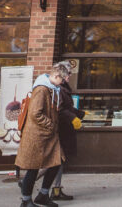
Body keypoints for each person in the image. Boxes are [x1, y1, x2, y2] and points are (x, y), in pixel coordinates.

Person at [16, 62, 70, 207]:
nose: (63, 82)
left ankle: (43, 195)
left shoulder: (52, 89)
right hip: (37, 136)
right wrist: (51, 125)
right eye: (62, 79)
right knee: (33, 168)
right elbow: (35, 113)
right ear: (56, 76)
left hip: (47, 135)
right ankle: (26, 200)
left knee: (57, 161)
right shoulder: (42, 89)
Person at [49, 62, 85, 201]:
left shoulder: (64, 88)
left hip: (64, 129)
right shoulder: (58, 89)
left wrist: (81, 114)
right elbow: (61, 110)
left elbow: (67, 108)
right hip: (60, 130)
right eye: (68, 73)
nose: (70, 75)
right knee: (57, 160)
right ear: (61, 74)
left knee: (59, 161)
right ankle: (31, 181)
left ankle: (56, 190)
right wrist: (74, 118)